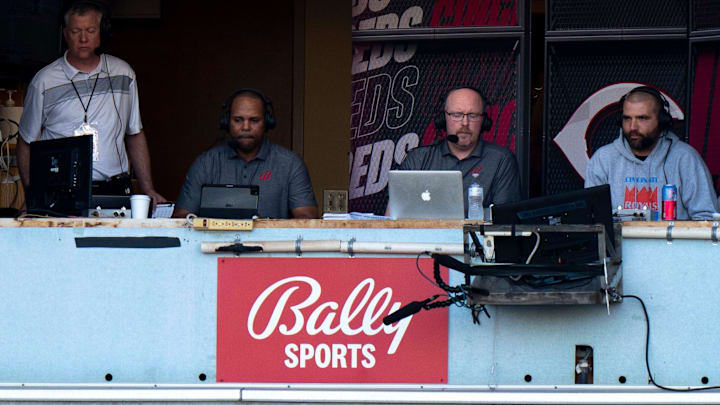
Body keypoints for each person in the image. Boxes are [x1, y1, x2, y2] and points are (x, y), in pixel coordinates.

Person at [17, 1, 165, 205]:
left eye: (91, 30)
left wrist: (148, 189)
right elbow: (26, 142)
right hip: (61, 192)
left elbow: (135, 133)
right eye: (76, 31)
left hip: (115, 190)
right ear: (65, 34)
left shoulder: (124, 74)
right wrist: (32, 195)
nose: (84, 38)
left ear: (102, 32)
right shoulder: (44, 81)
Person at [173, 89, 318, 219]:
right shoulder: (206, 163)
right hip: (212, 247)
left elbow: (307, 219)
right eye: (238, 120)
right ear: (226, 122)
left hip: (271, 248)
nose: (246, 127)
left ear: (267, 122)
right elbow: (181, 218)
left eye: (254, 120)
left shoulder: (290, 164)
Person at [585, 86, 719, 220]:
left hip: (672, 241)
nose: (633, 127)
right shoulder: (603, 160)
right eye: (627, 119)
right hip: (618, 241)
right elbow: (593, 220)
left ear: (662, 121)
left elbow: (707, 219)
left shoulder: (685, 159)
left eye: (642, 118)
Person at [391, 86, 521, 215]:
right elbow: (391, 218)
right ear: (443, 119)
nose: (465, 123)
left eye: (473, 115)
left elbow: (504, 221)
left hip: (475, 236)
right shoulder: (418, 159)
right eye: (457, 115)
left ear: (484, 120)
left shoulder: (501, 159)